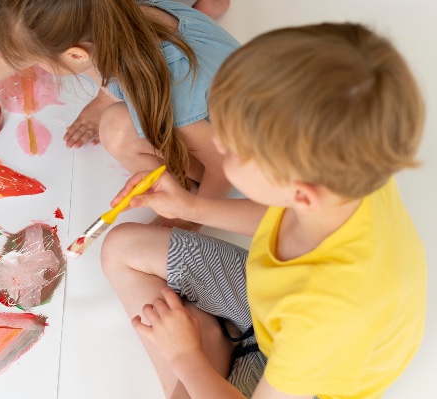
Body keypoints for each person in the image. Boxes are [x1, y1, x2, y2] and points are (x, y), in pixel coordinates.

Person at [101, 23, 426, 398]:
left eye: (234, 149)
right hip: (269, 307)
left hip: (299, 365)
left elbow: (310, 321)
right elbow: (277, 218)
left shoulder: (326, 315)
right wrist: (191, 206)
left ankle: (210, 345)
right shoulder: (350, 167)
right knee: (121, 247)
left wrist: (185, 356)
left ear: (300, 194)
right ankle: (215, 336)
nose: (217, 141)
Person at [0, 0, 240, 228]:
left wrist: (190, 218)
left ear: (76, 55)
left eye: (39, 61)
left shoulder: (170, 87)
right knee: (113, 118)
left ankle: (186, 190)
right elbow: (19, 54)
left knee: (116, 129)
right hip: (204, 106)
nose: (33, 66)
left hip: (242, 149)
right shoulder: (104, 19)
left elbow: (224, 167)